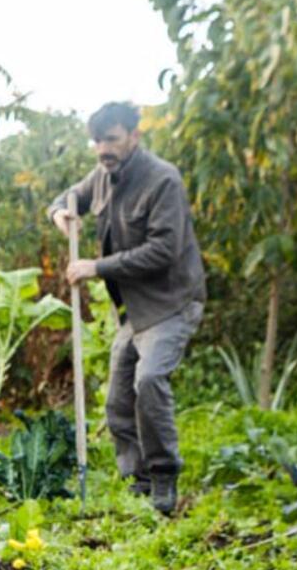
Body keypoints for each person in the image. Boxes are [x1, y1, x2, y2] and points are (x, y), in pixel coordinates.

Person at [48, 101, 206, 517]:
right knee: (119, 399)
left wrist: (96, 267)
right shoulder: (102, 176)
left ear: (134, 136)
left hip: (171, 302)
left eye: (112, 139)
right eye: (97, 141)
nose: (103, 149)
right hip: (133, 310)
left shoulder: (162, 180)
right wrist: (60, 212)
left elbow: (163, 250)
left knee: (149, 380)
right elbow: (71, 196)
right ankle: (138, 480)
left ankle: (164, 477)